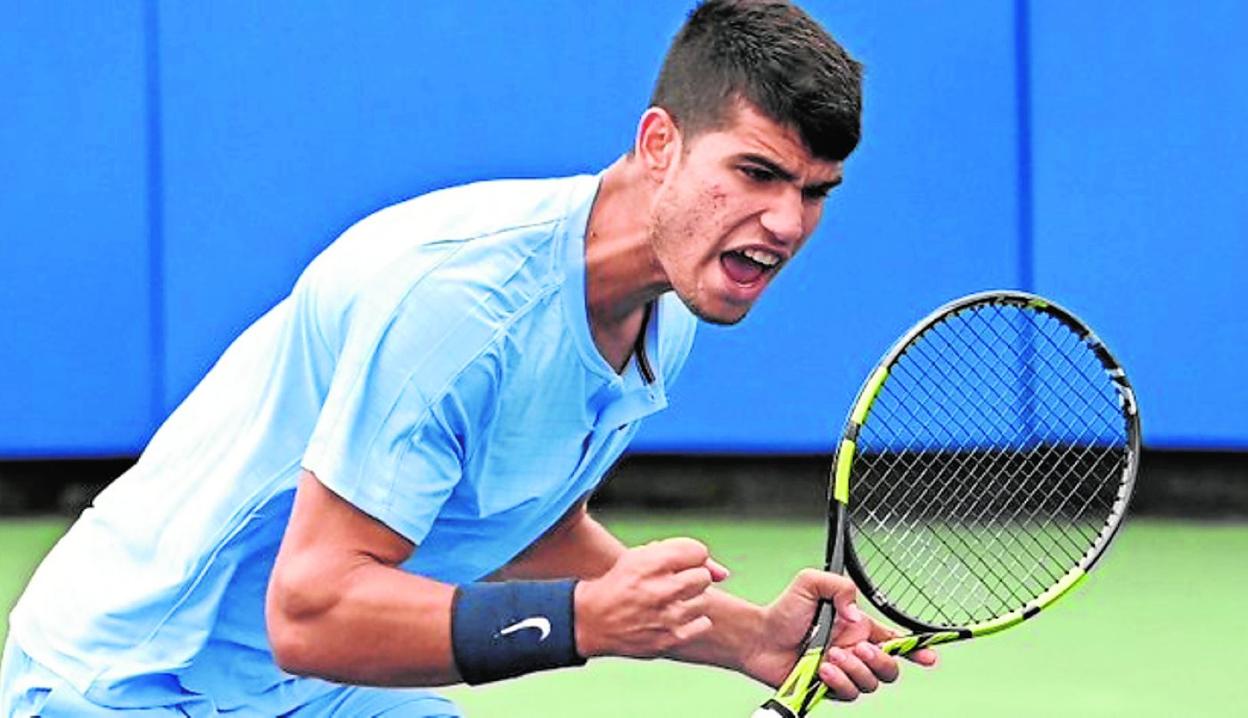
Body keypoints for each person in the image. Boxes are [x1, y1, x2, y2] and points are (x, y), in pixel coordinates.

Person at [0, 1, 937, 715]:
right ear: (660, 146)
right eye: (757, 173)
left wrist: (752, 640)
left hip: (312, 691)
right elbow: (311, 612)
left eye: (816, 192)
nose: (786, 224)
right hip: (135, 677)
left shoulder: (670, 302)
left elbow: (509, 515)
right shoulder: (459, 309)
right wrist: (582, 623)